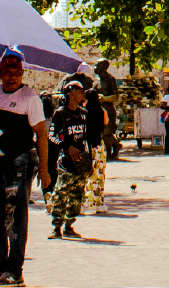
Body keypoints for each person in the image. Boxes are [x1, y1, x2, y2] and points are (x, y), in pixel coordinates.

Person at [0, 50, 49, 287]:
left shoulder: (29, 97)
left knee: (15, 216)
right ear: (0, 73)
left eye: (17, 73)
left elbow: (41, 134)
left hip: (20, 160)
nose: (12, 77)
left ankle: (15, 271)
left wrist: (44, 169)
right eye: (8, 73)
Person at [47, 75, 101, 238]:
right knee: (61, 195)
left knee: (77, 198)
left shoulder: (84, 114)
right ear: (70, 93)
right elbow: (51, 136)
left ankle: (69, 226)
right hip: (65, 164)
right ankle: (56, 227)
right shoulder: (61, 114)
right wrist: (66, 147)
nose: (83, 94)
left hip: (81, 164)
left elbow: (89, 140)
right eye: (80, 91)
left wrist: (90, 161)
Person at [95, 60, 123, 162]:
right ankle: (116, 145)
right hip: (98, 110)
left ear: (104, 67)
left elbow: (116, 97)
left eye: (97, 65)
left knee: (107, 133)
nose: (94, 67)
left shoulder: (110, 79)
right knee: (102, 132)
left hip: (109, 109)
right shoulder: (96, 80)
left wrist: (105, 98)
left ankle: (110, 154)